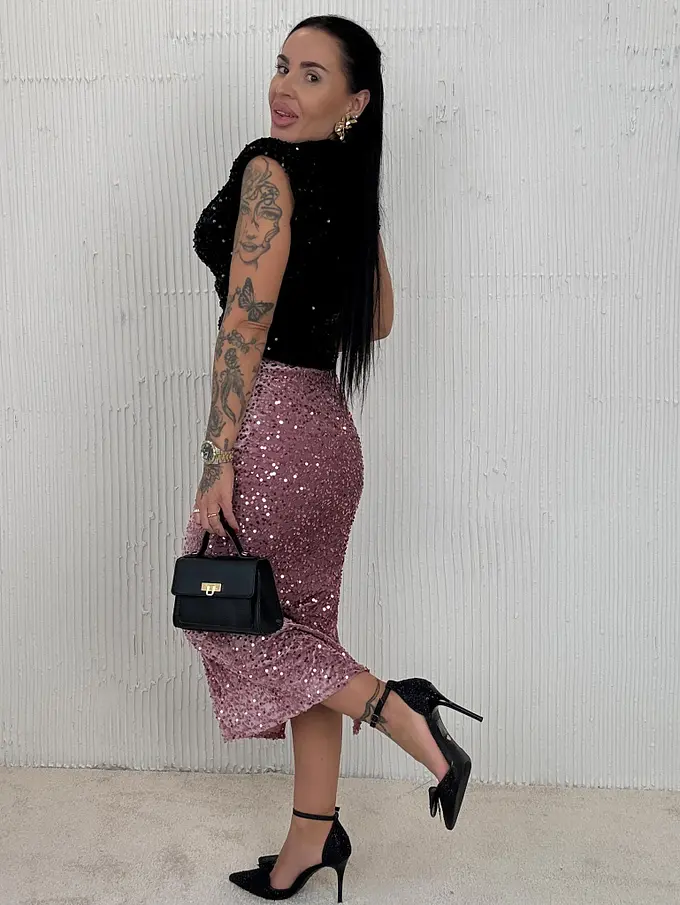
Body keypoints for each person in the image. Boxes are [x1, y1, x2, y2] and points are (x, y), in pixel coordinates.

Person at [180, 14, 483, 901]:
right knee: (307, 636)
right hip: (330, 435)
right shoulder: (348, 188)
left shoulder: (270, 173)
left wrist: (218, 456)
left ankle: (401, 712)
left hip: (271, 429)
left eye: (312, 75)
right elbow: (377, 318)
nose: (284, 86)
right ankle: (311, 837)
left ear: (355, 102)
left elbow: (244, 324)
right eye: (283, 66)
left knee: (220, 611)